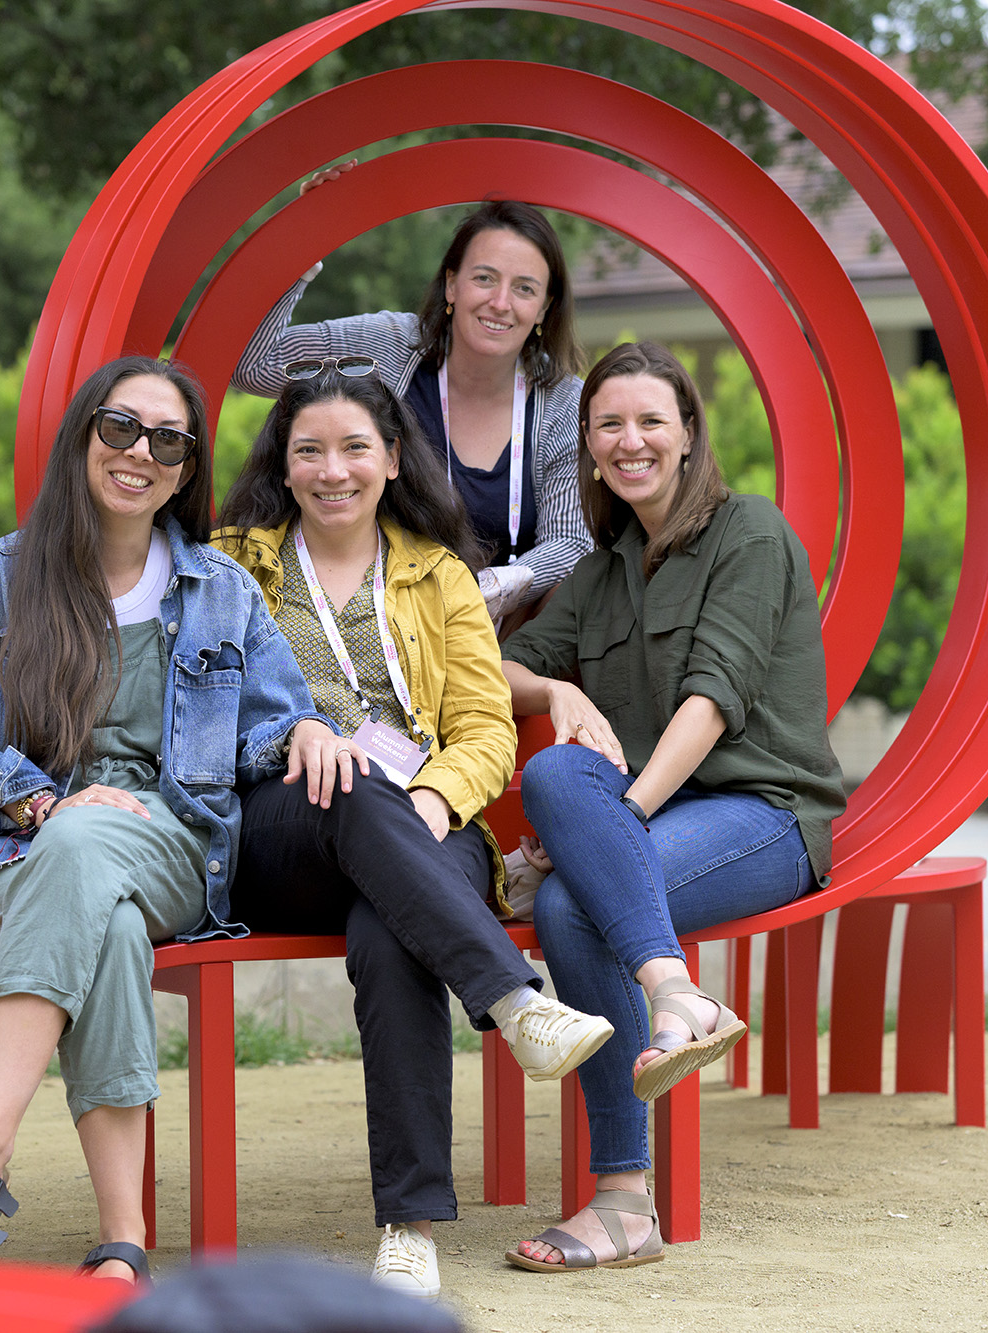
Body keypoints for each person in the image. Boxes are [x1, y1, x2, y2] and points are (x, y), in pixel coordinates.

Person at [0, 355, 336, 1285]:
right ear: (83, 439)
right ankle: (124, 1239)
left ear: (186, 469)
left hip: (171, 845)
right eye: (119, 428)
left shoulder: (219, 590)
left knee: (89, 848)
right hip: (3, 862)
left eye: (167, 440)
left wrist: (301, 730)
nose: (139, 452)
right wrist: (40, 800)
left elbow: (272, 719)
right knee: (103, 920)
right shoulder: (2, 576)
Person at [215, 362, 615, 1299]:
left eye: (355, 446)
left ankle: (409, 1226)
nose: (332, 469)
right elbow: (199, 713)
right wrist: (296, 737)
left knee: (390, 932)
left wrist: (431, 805)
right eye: (308, 449)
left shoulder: (440, 574)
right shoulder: (234, 564)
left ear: (393, 458)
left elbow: (482, 729)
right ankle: (517, 1004)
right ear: (284, 463)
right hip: (282, 825)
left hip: (421, 822)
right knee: (349, 780)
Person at [496, 342, 847, 1273]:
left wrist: (618, 826)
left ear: (688, 435)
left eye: (651, 420)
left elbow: (712, 700)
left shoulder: (752, 533)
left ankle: (620, 1196)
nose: (630, 440)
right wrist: (551, 696)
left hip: (762, 813)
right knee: (557, 776)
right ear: (590, 446)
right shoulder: (606, 571)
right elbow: (495, 667)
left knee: (576, 895)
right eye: (609, 424)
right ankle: (677, 997)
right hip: (649, 820)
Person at [233, 182, 590, 621]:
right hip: (374, 620)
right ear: (452, 284)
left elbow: (572, 542)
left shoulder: (564, 402)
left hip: (505, 634)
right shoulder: (391, 346)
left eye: (524, 289)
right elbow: (254, 365)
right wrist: (304, 244)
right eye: (484, 278)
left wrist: (491, 588)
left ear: (544, 309)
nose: (500, 303)